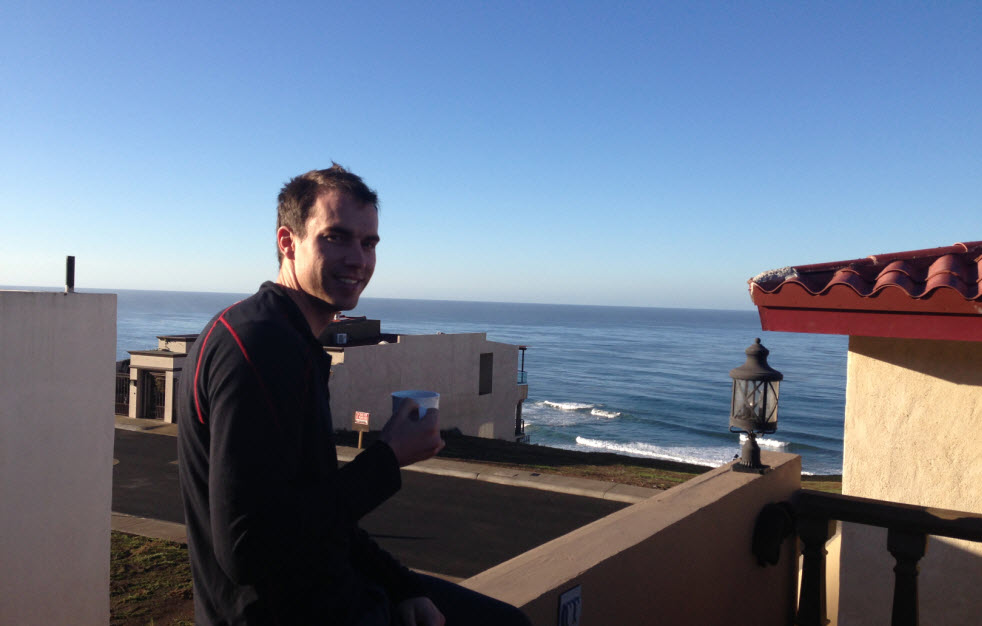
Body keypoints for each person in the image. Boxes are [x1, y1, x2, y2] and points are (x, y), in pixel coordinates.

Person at [177, 165, 531, 626]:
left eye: (369, 243)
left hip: (334, 591)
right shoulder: (260, 348)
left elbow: (314, 510)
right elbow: (249, 549)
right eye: (336, 237)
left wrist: (402, 585)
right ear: (288, 242)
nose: (358, 260)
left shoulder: (283, 336)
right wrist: (387, 458)